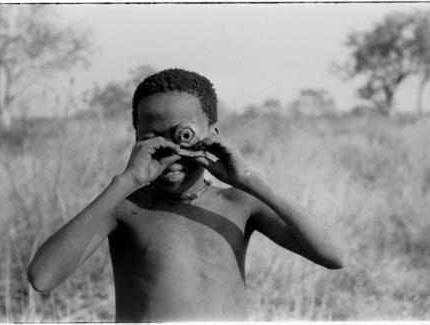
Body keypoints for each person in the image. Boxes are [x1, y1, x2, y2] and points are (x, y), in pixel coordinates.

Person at [27, 68, 345, 322]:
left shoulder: (238, 203)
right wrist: (125, 181)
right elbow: (42, 277)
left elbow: (333, 256)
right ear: (136, 140)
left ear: (213, 136)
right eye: (151, 139)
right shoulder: (124, 208)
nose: (171, 151)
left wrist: (248, 179)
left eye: (184, 135)